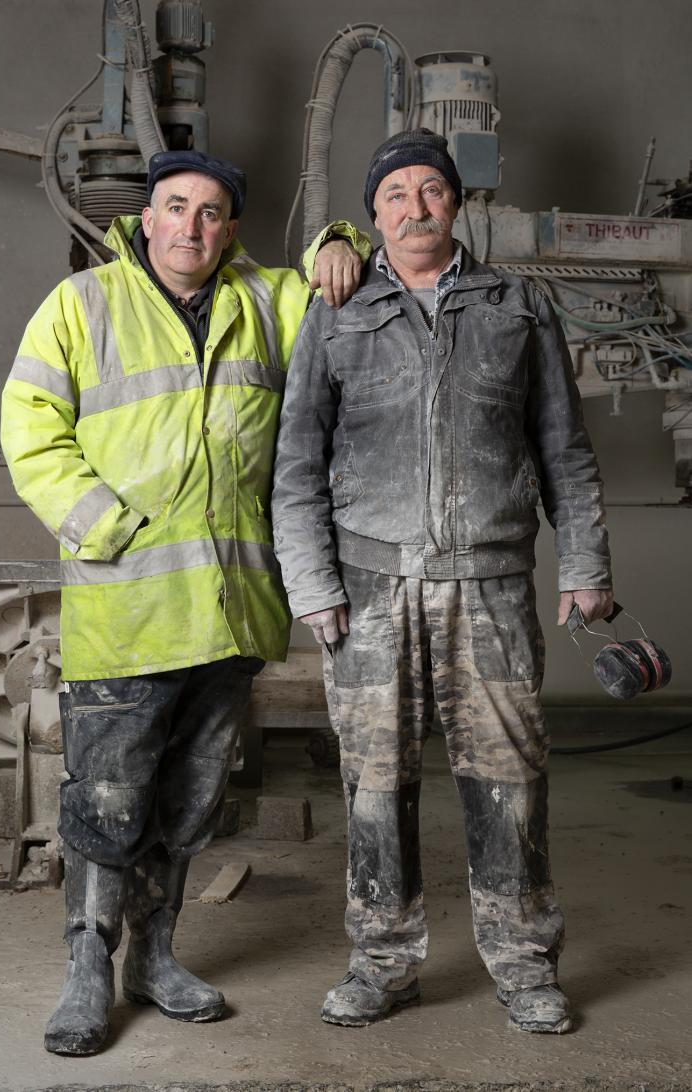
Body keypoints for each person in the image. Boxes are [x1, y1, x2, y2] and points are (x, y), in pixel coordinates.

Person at [1, 148, 370, 1056]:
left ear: (229, 229)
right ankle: (89, 968)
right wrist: (105, 526)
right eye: (176, 208)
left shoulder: (263, 301)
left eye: (211, 213)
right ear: (147, 218)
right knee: (108, 801)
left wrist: (339, 237)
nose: (192, 227)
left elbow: (341, 271)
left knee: (193, 801)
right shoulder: (84, 304)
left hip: (229, 610)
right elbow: (29, 427)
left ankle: (155, 958)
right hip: (126, 613)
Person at [271, 128, 614, 1035]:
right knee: (375, 786)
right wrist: (312, 584)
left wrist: (584, 564)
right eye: (395, 196)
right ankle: (384, 962)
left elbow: (565, 452)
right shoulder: (334, 309)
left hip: (492, 587)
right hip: (371, 593)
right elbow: (297, 463)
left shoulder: (519, 304)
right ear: (373, 213)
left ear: (458, 203)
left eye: (431, 191)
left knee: (508, 782)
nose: (414, 207)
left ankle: (524, 963)